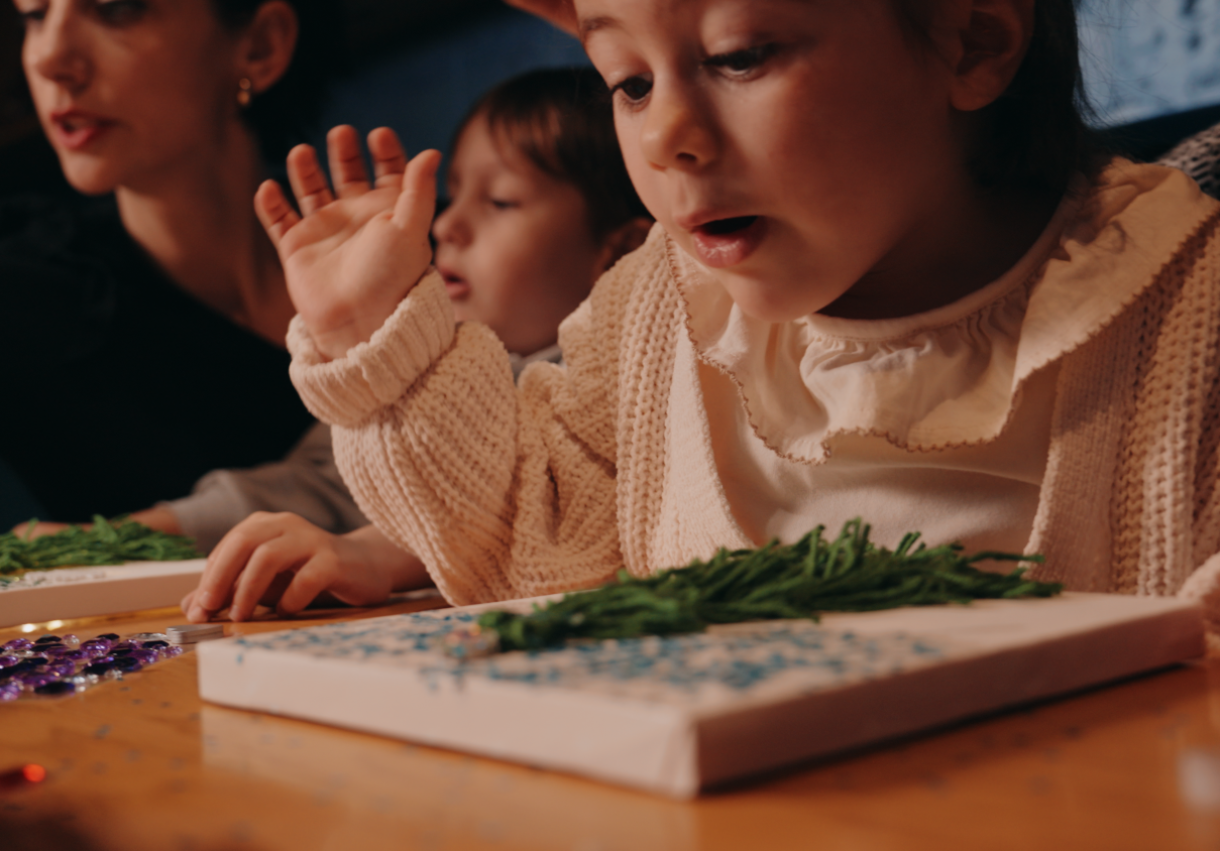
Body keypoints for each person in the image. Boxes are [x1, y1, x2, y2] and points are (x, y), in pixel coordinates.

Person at [216, 0, 1220, 628]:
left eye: (741, 56)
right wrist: (374, 331)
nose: (667, 137)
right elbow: (527, 543)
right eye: (628, 80)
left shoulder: (1182, 305)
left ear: (969, 39)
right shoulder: (656, 308)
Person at [182, 66, 652, 621]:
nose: (448, 223)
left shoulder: (632, 375)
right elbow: (326, 474)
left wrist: (374, 555)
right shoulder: (457, 363)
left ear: (624, 250)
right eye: (455, 195)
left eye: (501, 201)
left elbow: (560, 509)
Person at [1, 0, 354, 546]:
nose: (49, 58)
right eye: (33, 15)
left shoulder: (445, 262)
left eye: (114, 10)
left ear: (260, 46)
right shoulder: (25, 303)